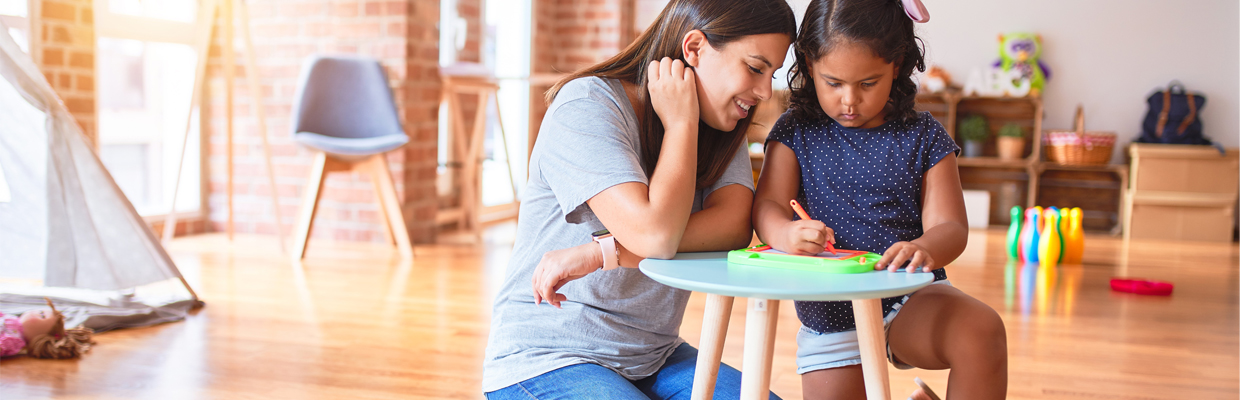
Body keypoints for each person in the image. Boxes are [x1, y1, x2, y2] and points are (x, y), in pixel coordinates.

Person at [481, 0, 796, 398]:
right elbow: (655, 236)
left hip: (655, 356)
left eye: (771, 73)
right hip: (548, 355)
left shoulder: (721, 120)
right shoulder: (588, 106)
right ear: (694, 48)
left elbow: (733, 227)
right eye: (754, 68)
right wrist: (680, 123)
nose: (765, 91)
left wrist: (602, 252)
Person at [751, 0, 1007, 399]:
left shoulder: (924, 135)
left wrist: (924, 247)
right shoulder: (794, 131)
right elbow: (766, 206)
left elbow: (951, 227)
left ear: (897, 64)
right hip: (830, 317)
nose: (849, 101)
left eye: (867, 83)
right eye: (833, 83)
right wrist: (784, 232)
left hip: (910, 298)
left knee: (982, 330)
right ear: (807, 63)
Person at [1, 298, 95, 359]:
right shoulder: (12, 318)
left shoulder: (14, 340)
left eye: (42, 315)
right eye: (40, 311)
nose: (35, 311)